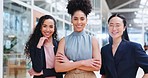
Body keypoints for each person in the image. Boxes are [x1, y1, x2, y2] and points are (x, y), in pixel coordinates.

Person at [55, 0, 101, 78]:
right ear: (71, 20)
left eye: (82, 19)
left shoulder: (93, 40)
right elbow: (58, 68)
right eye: (75, 19)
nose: (79, 22)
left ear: (86, 20)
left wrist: (69, 63)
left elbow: (97, 67)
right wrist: (83, 63)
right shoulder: (64, 41)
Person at [100, 13, 148, 78]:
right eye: (111, 25)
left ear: (124, 28)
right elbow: (104, 74)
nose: (114, 28)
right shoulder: (104, 50)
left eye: (117, 25)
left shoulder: (134, 48)